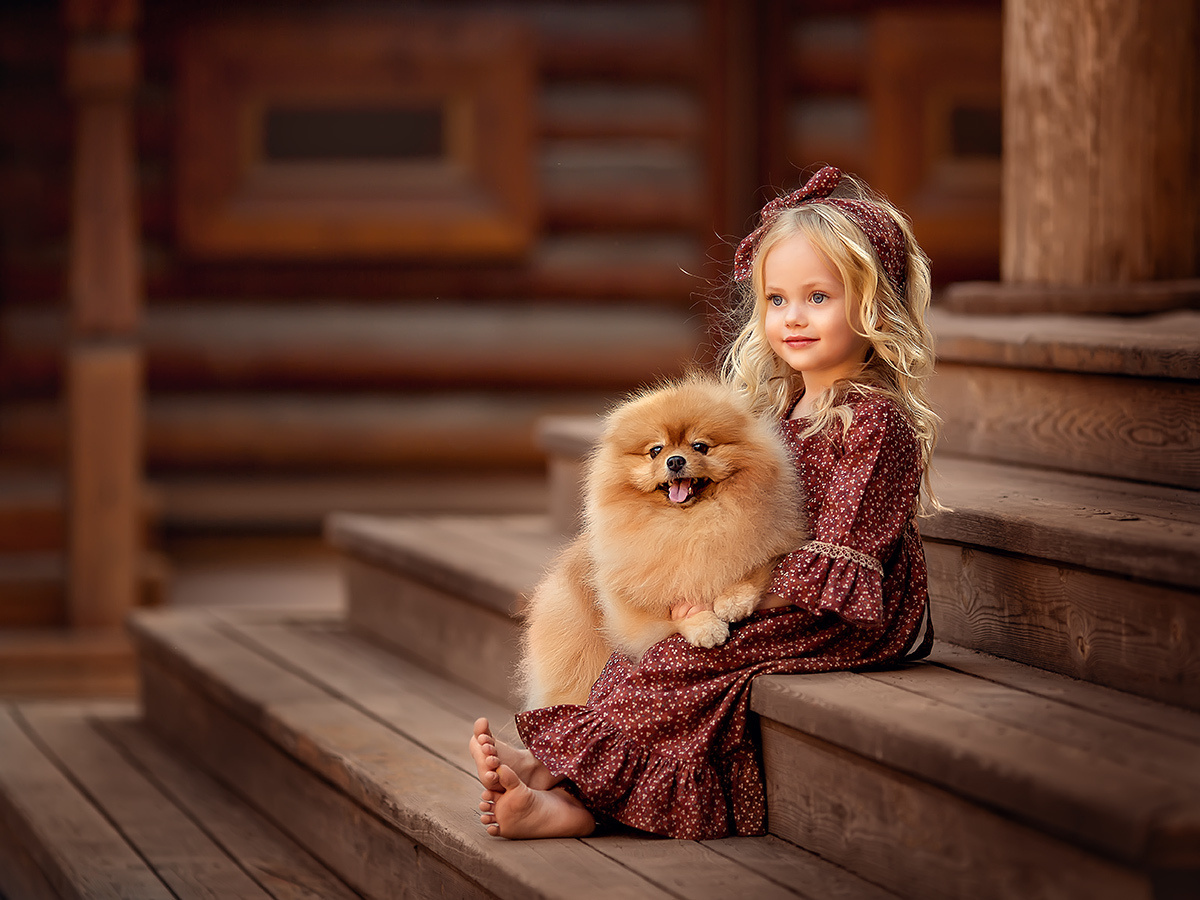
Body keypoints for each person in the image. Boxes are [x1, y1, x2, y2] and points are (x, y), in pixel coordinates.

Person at [468, 165, 941, 840]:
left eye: (818, 297)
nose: (793, 317)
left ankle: (576, 800)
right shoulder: (782, 408)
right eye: (776, 299)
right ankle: (558, 766)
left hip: (837, 613)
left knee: (681, 661)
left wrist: (727, 598)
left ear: (873, 306)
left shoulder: (873, 423)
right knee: (645, 647)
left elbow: (842, 559)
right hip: (769, 588)